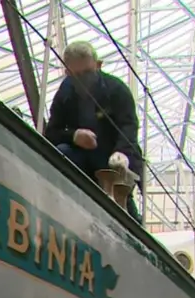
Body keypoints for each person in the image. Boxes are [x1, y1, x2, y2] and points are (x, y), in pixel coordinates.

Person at [45, 41, 143, 223]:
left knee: (119, 193)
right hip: (82, 159)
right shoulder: (65, 93)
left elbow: (128, 126)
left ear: (98, 66)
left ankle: (130, 219)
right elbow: (51, 132)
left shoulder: (116, 90)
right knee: (62, 153)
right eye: (77, 75)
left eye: (88, 72)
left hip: (112, 157)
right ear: (67, 72)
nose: (83, 80)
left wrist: (121, 151)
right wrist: (73, 136)